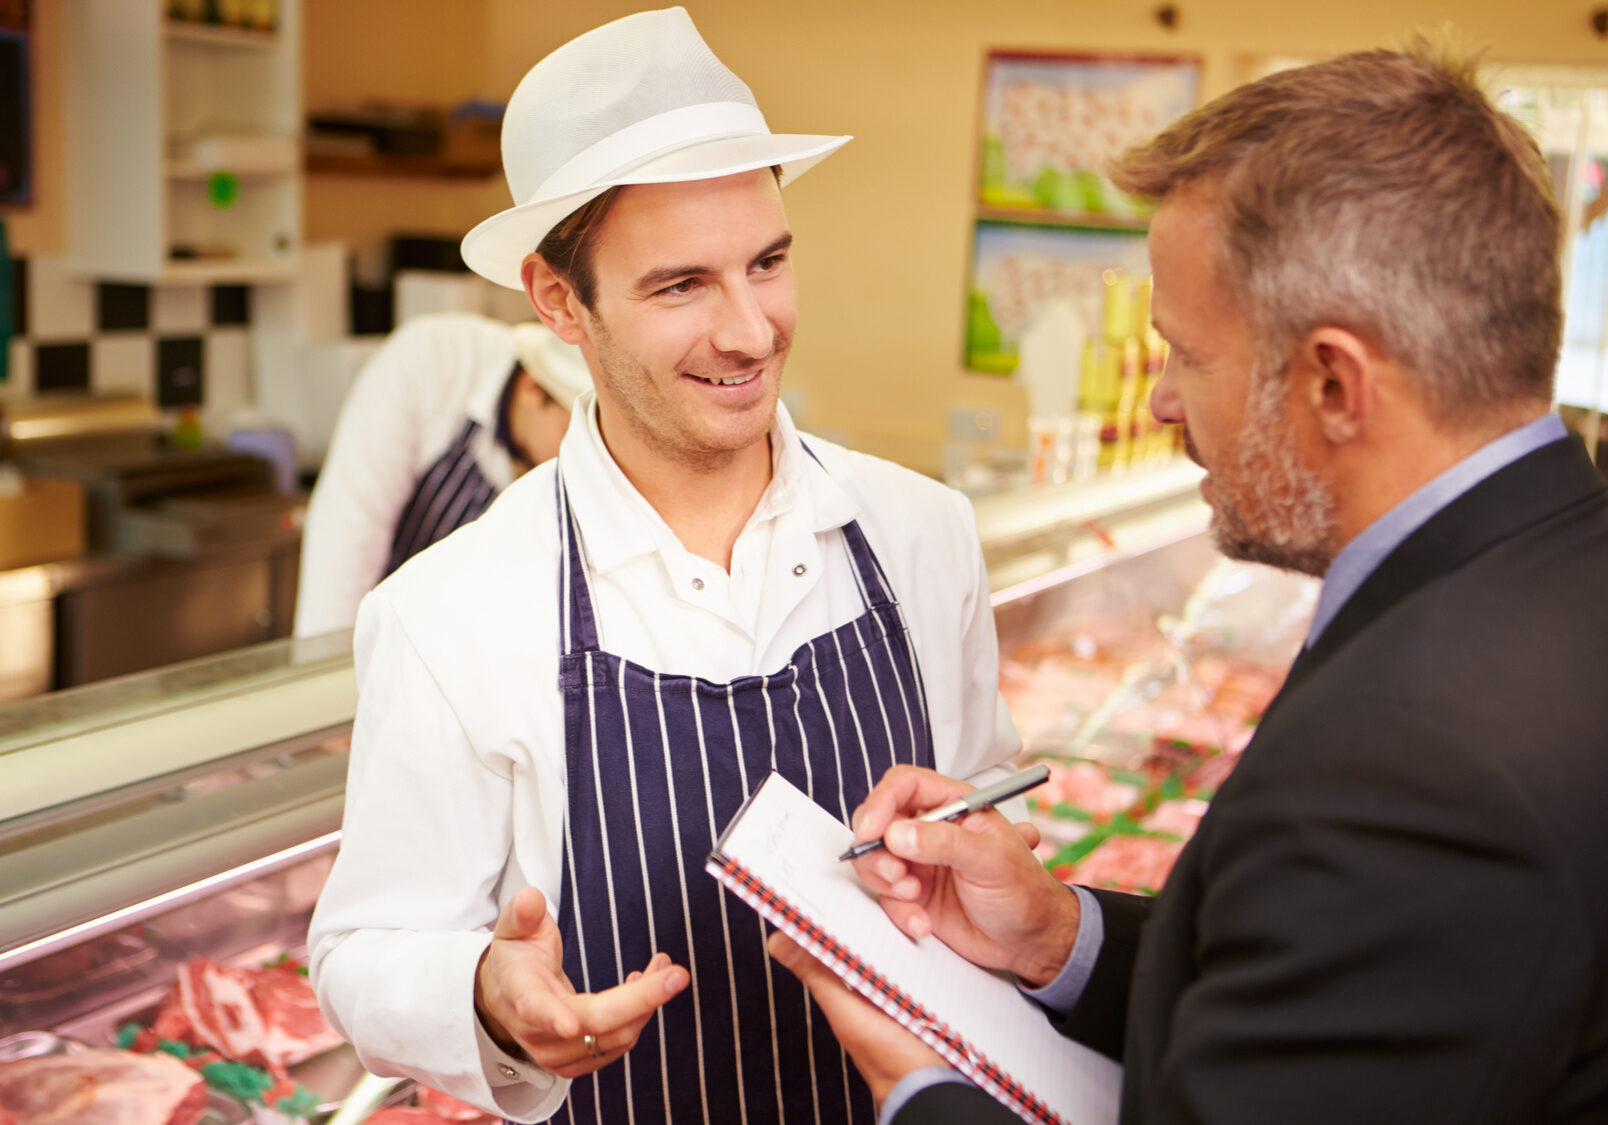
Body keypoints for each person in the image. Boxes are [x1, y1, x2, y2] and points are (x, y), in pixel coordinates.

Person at [772, 39, 1608, 1125]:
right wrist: (1057, 936)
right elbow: (1329, 1012)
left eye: (1186, 355)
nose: (1162, 403)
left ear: (1334, 383)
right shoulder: (1560, 561)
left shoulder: (1410, 765)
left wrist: (920, 1085)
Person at [306, 8, 1020, 1123]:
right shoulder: (450, 612)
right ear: (558, 304)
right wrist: (489, 997)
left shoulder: (921, 534)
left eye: (769, 263)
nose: (750, 331)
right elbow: (362, 953)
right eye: (681, 286)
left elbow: (986, 837)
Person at [293, 312, 590, 637]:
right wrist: (326, 667)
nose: (578, 455)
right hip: (377, 646)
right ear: (532, 386)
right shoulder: (433, 360)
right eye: (568, 431)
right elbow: (349, 535)